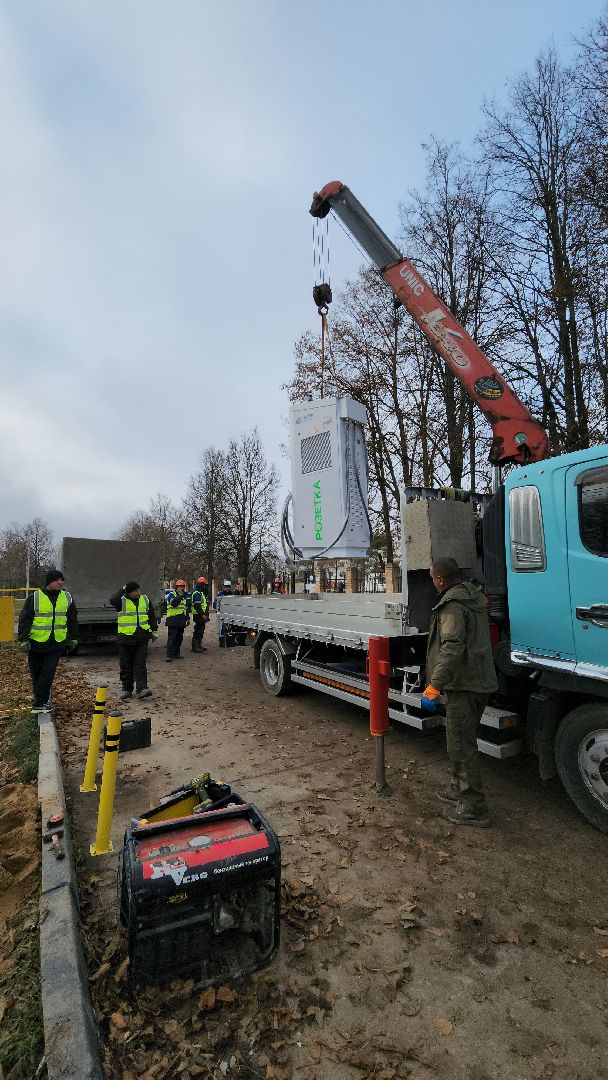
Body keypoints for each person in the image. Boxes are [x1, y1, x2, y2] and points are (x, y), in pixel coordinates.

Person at [421, 557, 498, 828]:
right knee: (458, 740)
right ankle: (458, 787)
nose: (432, 582)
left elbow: (452, 646)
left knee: (461, 746)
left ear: (440, 579)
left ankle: (474, 807)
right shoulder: (472, 597)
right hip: (477, 681)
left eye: (432, 578)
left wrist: (435, 684)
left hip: (463, 685)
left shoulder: (452, 605)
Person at [18, 569, 79, 711]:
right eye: (57, 580)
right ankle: (39, 699)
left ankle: (40, 703)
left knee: (47, 673)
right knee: (37, 674)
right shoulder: (35, 597)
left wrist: (74, 638)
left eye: (62, 580)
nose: (60, 582)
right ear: (48, 582)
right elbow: (25, 619)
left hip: (56, 643)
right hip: (36, 643)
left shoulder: (67, 597)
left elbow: (72, 619)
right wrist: (23, 639)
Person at [108, 581, 158, 699]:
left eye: (139, 590)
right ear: (129, 592)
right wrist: (123, 588)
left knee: (140, 664)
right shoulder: (121, 601)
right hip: (125, 639)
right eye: (135, 591)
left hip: (141, 638)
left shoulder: (145, 599)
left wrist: (154, 630)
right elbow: (112, 599)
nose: (138, 593)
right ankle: (127, 688)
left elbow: (151, 615)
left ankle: (142, 688)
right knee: (126, 665)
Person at [165, 579, 189, 661]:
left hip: (181, 619)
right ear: (176, 587)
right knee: (172, 638)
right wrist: (181, 596)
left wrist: (187, 618)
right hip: (172, 619)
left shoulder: (184, 596)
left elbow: (185, 608)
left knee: (179, 638)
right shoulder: (171, 595)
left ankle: (176, 653)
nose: (181, 588)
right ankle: (169, 655)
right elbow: (174, 603)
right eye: (180, 587)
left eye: (183, 587)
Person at [190, 576, 209, 653]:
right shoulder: (197, 593)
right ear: (202, 585)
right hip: (198, 615)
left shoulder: (200, 592)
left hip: (200, 615)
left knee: (201, 630)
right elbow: (197, 606)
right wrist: (202, 614)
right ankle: (195, 647)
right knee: (198, 630)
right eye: (205, 585)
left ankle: (198, 645)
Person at [213, 580, 233, 647]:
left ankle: (229, 643)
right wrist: (217, 611)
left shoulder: (232, 594)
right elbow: (215, 604)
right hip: (222, 614)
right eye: (226, 587)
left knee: (230, 628)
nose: (227, 588)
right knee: (222, 628)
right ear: (224, 587)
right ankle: (221, 643)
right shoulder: (220, 594)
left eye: (228, 587)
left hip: (230, 613)